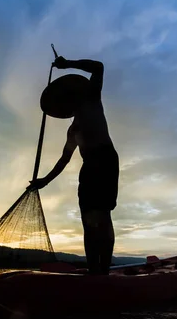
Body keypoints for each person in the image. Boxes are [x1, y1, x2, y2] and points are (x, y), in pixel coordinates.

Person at [28, 56, 119, 275]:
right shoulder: (73, 130)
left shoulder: (93, 101)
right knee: (88, 219)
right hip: (89, 168)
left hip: (106, 160)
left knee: (103, 216)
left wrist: (66, 63)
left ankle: (104, 272)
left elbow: (98, 67)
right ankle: (93, 270)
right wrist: (43, 181)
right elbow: (64, 160)